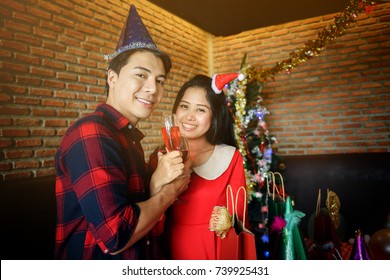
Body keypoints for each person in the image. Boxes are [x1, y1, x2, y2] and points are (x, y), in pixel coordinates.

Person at [54, 5, 190, 260]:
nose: (153, 89)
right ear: (112, 78)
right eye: (141, 75)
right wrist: (171, 192)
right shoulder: (91, 132)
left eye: (160, 81)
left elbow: (141, 217)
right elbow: (116, 236)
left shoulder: (128, 139)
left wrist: (157, 183)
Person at [161, 74, 249, 259]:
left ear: (214, 116)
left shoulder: (230, 157)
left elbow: (239, 212)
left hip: (215, 248)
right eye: (184, 106)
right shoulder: (162, 158)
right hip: (169, 248)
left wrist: (228, 218)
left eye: (200, 110)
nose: (189, 116)